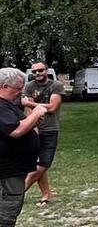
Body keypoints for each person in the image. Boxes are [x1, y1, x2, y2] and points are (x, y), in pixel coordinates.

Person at [0, 68, 47, 227]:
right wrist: (36, 112)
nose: (20, 93)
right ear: (4, 86)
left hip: (15, 168)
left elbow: (20, 125)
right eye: (17, 89)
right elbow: (16, 131)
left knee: (11, 210)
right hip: (6, 170)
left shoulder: (8, 104)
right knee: (5, 213)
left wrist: (32, 120)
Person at [23, 62, 65, 206]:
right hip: (33, 130)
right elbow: (27, 108)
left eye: (40, 70)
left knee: (44, 163)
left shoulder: (56, 86)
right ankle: (46, 194)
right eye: (34, 72)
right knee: (38, 164)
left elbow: (53, 107)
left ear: (46, 70)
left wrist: (31, 104)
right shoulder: (29, 86)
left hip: (50, 129)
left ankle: (19, 192)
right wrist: (33, 124)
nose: (37, 74)